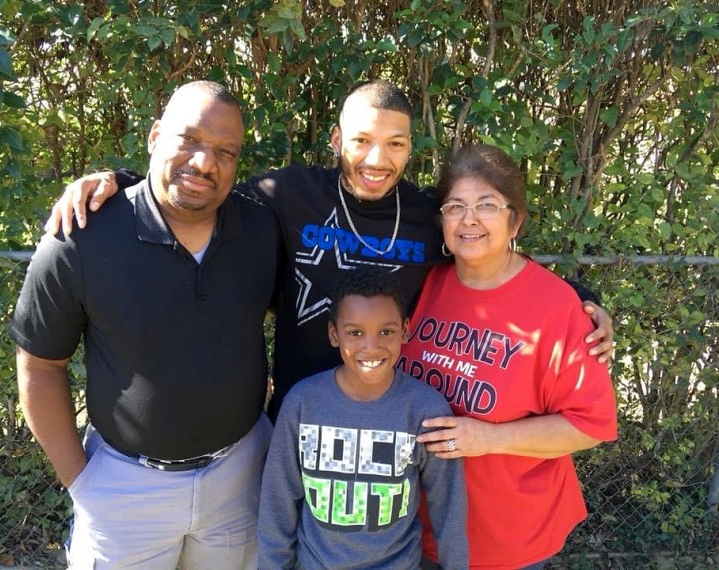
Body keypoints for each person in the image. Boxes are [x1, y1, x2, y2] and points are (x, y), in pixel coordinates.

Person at [44, 80, 615, 420]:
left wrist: (581, 299)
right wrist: (121, 180)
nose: (376, 159)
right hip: (297, 413)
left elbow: (493, 255)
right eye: (362, 141)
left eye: (394, 144)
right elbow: (197, 192)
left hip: (394, 418)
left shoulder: (425, 214)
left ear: (410, 149)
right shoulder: (289, 192)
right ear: (338, 139)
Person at [10, 81, 280, 569]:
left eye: (225, 151)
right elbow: (39, 365)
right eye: (189, 139)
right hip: (123, 490)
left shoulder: (260, 229)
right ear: (156, 136)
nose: (204, 162)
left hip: (240, 479)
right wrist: (84, 484)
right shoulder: (81, 238)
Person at [398, 144, 619, 570]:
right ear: (441, 219)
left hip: (507, 539)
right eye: (455, 206)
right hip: (417, 529)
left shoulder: (557, 307)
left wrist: (489, 438)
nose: (470, 219)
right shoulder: (423, 285)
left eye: (487, 205)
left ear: (514, 218)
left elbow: (589, 426)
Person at [258, 268, 468, 569]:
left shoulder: (425, 410)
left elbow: (448, 509)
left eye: (386, 331)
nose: (371, 347)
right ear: (334, 334)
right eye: (355, 333)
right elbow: (277, 504)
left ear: (405, 330)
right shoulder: (302, 404)